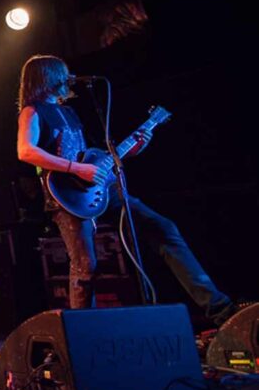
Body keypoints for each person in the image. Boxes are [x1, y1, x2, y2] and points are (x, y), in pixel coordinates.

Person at [15, 54, 236, 323]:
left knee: (163, 228)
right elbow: (26, 151)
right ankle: (84, 332)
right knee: (85, 266)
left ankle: (219, 308)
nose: (69, 77)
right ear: (48, 76)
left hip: (101, 190)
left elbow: (94, 157)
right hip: (66, 196)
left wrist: (131, 149)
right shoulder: (32, 111)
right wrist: (76, 169)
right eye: (62, 72)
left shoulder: (69, 113)